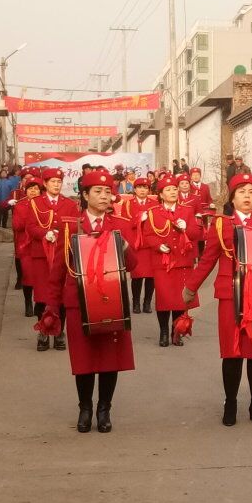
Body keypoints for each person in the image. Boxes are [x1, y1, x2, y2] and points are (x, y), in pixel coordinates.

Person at [182, 173, 252, 426]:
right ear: (232, 198)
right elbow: (208, 259)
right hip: (230, 294)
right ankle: (231, 403)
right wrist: (191, 287)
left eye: (251, 192)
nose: (247, 196)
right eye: (242, 192)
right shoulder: (220, 224)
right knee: (233, 352)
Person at [45, 170, 137, 434]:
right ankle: (85, 407)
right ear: (84, 196)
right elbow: (58, 271)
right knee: (84, 360)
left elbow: (134, 265)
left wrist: (125, 245)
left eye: (107, 191)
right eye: (97, 191)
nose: (104, 196)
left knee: (110, 359)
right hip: (79, 303)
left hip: (112, 301)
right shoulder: (70, 227)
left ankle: (104, 408)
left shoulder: (119, 225)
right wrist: (52, 307)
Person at [142, 175, 201, 347]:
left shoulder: (187, 211)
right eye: (168, 190)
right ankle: (164, 332)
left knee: (179, 300)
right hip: (163, 263)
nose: (173, 192)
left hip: (182, 262)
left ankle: (177, 331)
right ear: (160, 194)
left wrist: (186, 228)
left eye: (174, 189)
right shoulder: (153, 213)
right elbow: (148, 235)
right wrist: (158, 246)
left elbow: (196, 234)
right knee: (164, 299)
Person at [25, 168, 80, 351]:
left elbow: (75, 227)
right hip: (41, 256)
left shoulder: (70, 204)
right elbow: (30, 227)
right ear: (45, 184)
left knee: (61, 297)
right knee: (42, 297)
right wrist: (44, 233)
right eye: (53, 182)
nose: (56, 185)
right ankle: (43, 332)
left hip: (62, 255)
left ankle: (58, 332)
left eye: (59, 182)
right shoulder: (35, 203)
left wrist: (62, 234)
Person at [11, 177, 45, 317]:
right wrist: (31, 221)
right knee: (28, 276)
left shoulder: (44, 204)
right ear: (26, 191)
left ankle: (40, 302)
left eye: (36, 189)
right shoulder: (20, 205)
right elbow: (17, 225)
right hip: (25, 245)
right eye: (30, 189)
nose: (33, 191)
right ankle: (28, 303)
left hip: (41, 245)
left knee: (41, 276)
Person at [122, 177, 157, 313]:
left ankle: (147, 302)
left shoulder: (154, 204)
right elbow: (126, 224)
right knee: (136, 276)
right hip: (135, 244)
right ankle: (136, 302)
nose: (142, 190)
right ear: (135, 189)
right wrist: (138, 218)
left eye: (145, 187)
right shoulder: (128, 204)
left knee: (150, 276)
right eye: (140, 187)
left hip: (149, 244)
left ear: (149, 190)